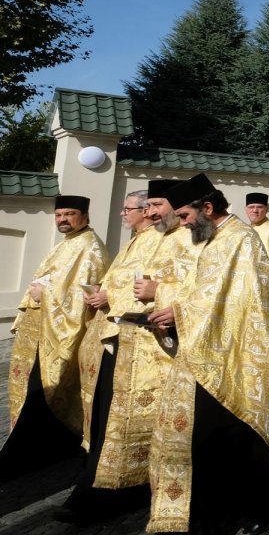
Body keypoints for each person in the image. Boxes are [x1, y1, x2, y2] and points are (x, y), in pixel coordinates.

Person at [146, 174, 269, 534]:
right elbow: (201, 291)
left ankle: (241, 512)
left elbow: (238, 302)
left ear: (207, 208)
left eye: (185, 216)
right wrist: (171, 304)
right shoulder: (215, 239)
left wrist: (180, 311)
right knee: (217, 441)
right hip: (211, 351)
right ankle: (217, 513)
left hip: (238, 355)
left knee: (232, 439)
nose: (183, 224)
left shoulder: (241, 239)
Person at [59, 190, 162, 523]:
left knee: (117, 420)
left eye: (127, 208)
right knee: (103, 416)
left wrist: (110, 297)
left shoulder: (157, 240)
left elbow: (148, 288)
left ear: (145, 211)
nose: (122, 213)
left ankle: (110, 490)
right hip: (111, 338)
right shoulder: (136, 240)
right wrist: (101, 294)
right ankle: (94, 480)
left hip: (134, 345)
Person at [1, 195, 108, 478]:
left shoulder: (91, 248)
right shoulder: (68, 243)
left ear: (85, 216)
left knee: (46, 391)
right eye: (59, 215)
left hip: (59, 333)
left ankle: (35, 455)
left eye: (69, 214)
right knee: (34, 390)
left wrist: (45, 294)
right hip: (42, 330)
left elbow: (82, 298)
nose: (63, 220)